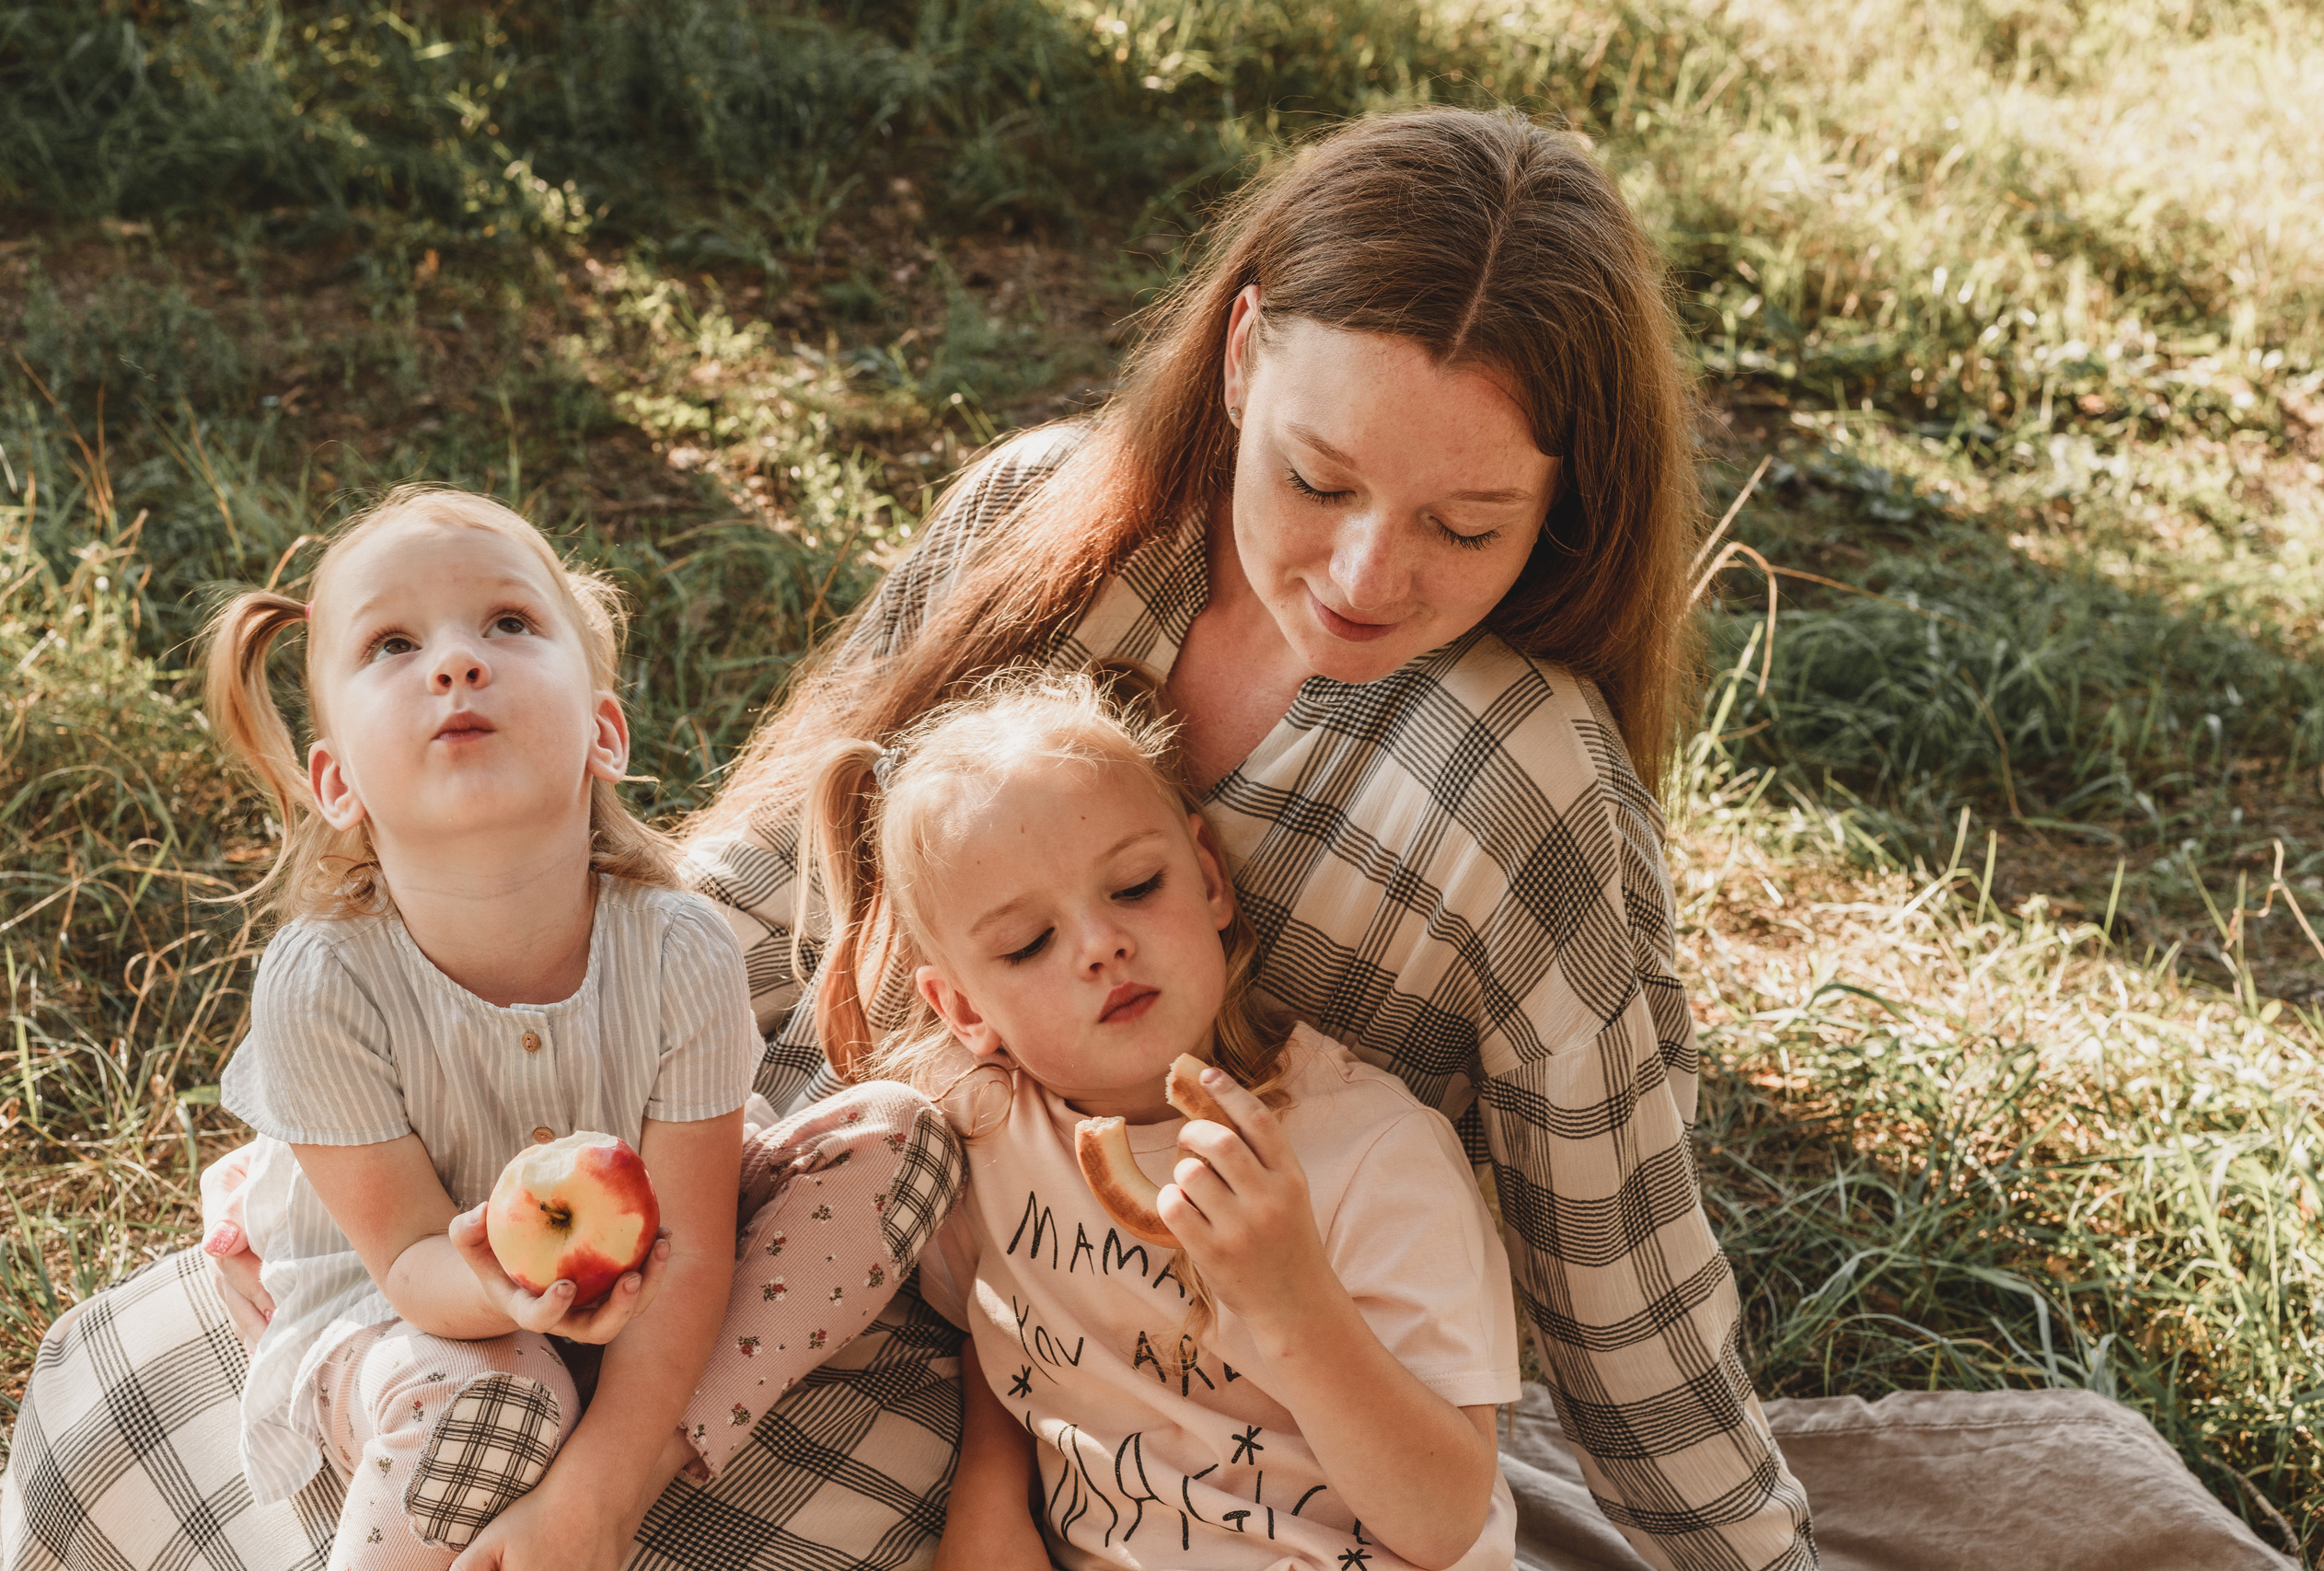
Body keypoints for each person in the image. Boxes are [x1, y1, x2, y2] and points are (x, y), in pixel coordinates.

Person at [4, 106, 1809, 1571]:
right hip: (747, 1174)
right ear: (1246, 351)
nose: (1359, 573)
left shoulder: (1524, 788)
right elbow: (751, 898)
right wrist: (445, 1131)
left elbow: (1621, 1287)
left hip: (1035, 1368)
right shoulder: (1048, 519)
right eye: (1318, 479)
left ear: (1567, 503)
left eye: (1464, 524)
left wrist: (1751, 1557)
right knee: (137, 1404)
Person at [0, 486, 957, 1571]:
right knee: (502, 1393)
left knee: (892, 1136)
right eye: (394, 644)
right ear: (336, 783)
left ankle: (621, 1481)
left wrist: (603, 1476)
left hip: (632, 1268)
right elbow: (407, 1255)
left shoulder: (679, 951)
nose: (455, 663)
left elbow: (691, 1248)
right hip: (403, 1308)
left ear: (602, 730)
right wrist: (497, 1286)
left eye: (507, 624)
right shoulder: (322, 984)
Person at [801, 671, 1523, 1569]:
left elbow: (1447, 1518)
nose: (1101, 945)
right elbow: (1002, 1330)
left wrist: (1290, 1297)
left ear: (1209, 877)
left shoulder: (1373, 1152)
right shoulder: (983, 1135)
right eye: (1028, 944)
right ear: (964, 1012)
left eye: (1136, 887)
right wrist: (989, 1509)